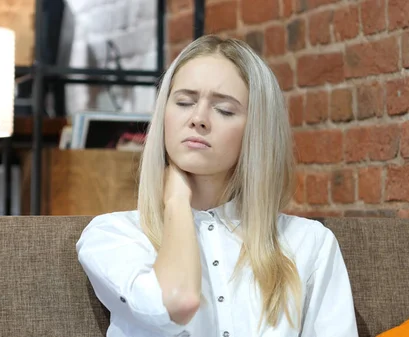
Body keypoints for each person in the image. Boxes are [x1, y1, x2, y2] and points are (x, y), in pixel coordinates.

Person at [76, 35, 358, 337]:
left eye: (224, 110)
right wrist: (176, 203)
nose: (198, 118)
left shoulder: (310, 243)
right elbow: (175, 302)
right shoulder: (113, 236)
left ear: (256, 130)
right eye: (184, 102)